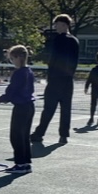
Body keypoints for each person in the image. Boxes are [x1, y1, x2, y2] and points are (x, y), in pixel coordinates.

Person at [31, 14, 80, 144]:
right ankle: (63, 136)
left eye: (57, 24)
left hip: (56, 79)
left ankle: (39, 133)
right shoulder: (75, 40)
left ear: (64, 25)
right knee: (66, 109)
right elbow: (74, 62)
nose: (55, 27)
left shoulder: (58, 39)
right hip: (68, 80)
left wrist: (50, 75)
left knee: (49, 108)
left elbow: (54, 59)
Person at [0, 44, 36, 174]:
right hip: (29, 106)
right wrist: (5, 98)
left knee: (16, 136)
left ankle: (20, 164)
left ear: (18, 57)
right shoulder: (29, 71)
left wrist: (2, 98)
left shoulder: (18, 73)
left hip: (21, 107)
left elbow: (13, 90)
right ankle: (25, 163)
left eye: (12, 59)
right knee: (24, 136)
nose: (11, 61)